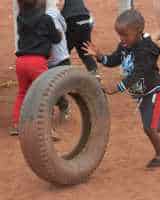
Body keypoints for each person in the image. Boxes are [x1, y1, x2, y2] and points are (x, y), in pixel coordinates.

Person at [82, 9, 160, 168]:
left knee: (150, 127)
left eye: (125, 35)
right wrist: (99, 56)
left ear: (138, 32)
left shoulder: (145, 50)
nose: (122, 39)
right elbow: (113, 60)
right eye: (120, 35)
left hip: (155, 92)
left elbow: (138, 74)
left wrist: (118, 87)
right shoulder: (125, 45)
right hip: (143, 95)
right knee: (155, 124)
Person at [11, 0, 61, 135]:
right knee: (45, 94)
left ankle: (16, 124)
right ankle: (47, 129)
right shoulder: (46, 19)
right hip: (37, 62)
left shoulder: (20, 18)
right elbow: (56, 38)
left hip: (21, 61)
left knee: (22, 92)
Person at [47, 0, 70, 120]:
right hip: (51, 61)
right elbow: (64, 27)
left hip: (60, 58)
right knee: (51, 90)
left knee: (58, 89)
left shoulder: (52, 13)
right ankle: (60, 107)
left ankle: (64, 106)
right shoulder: (52, 12)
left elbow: (64, 27)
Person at [61, 0, 98, 74]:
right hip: (85, 19)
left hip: (71, 19)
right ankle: (95, 75)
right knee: (84, 52)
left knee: (63, 53)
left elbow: (58, 6)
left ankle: (65, 77)